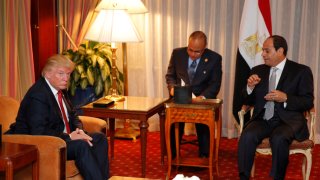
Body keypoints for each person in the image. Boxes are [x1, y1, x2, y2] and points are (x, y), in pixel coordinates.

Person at [7, 54, 109, 180]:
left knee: (100, 139)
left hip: (62, 139)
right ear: (47, 74)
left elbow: (73, 115)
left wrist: (79, 130)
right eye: (61, 74)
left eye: (68, 74)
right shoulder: (38, 95)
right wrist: (70, 136)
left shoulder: (60, 89)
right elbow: (38, 132)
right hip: (41, 144)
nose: (66, 78)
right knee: (81, 146)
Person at [238, 35, 314, 180]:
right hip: (263, 119)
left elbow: (308, 101)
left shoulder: (301, 71)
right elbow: (247, 100)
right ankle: (244, 176)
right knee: (247, 135)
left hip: (288, 121)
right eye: (263, 51)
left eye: (267, 51)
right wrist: (249, 87)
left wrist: (286, 98)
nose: (263, 54)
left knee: (279, 138)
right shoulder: (257, 70)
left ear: (280, 51)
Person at [165, 31, 222, 158]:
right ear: (188, 44)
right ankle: (172, 155)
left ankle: (205, 155)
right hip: (179, 97)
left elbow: (215, 83)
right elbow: (170, 76)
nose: (193, 54)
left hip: (201, 99)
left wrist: (203, 97)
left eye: (197, 52)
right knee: (173, 123)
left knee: (204, 124)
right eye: (190, 50)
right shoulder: (177, 53)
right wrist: (172, 88)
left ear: (204, 47)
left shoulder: (214, 58)